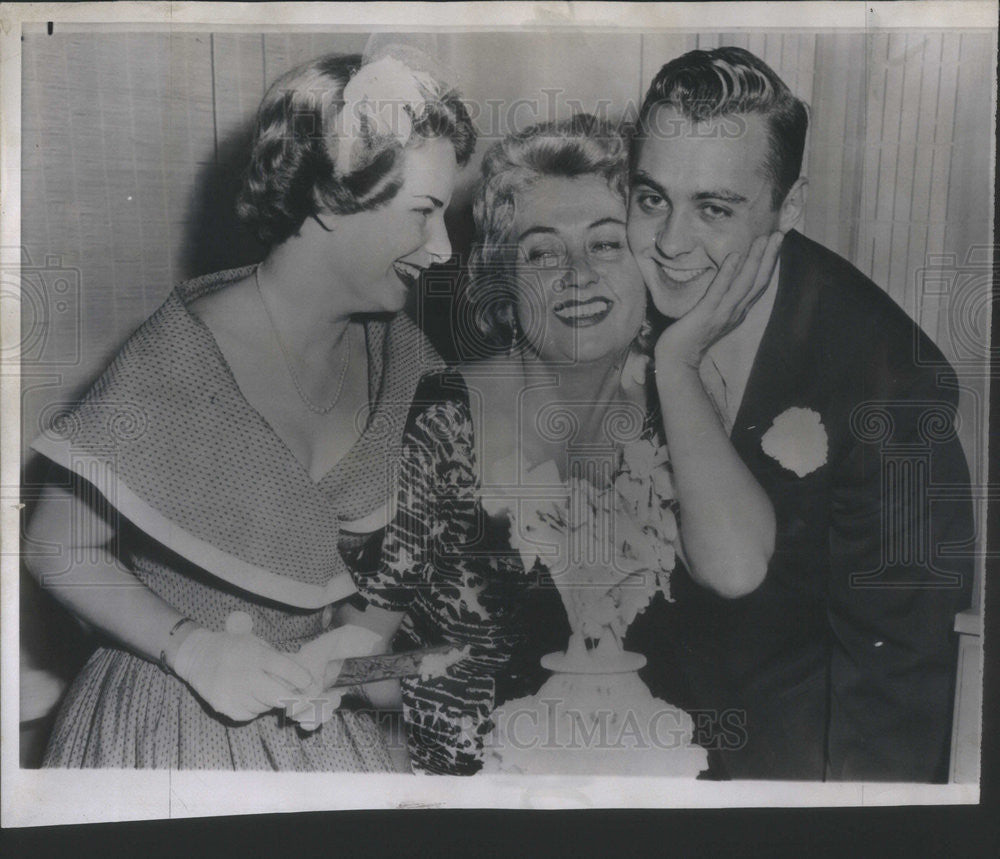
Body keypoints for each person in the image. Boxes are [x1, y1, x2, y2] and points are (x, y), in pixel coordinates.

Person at [24, 48, 476, 770]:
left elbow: (396, 617)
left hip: (338, 734)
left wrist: (356, 663)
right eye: (422, 213)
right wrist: (192, 648)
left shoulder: (410, 363)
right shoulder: (182, 354)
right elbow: (55, 544)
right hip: (165, 723)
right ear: (331, 197)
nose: (444, 247)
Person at [351, 114, 780, 773]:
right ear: (502, 277)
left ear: (648, 264)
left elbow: (738, 568)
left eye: (606, 245)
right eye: (543, 252)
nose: (577, 273)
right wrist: (455, 680)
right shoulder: (440, 416)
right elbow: (352, 659)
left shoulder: (682, 402)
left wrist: (679, 360)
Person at [625, 46, 974, 781]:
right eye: (652, 197)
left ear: (790, 206)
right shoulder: (616, 289)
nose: (669, 243)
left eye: (714, 208)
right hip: (626, 745)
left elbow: (896, 695)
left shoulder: (894, 385)